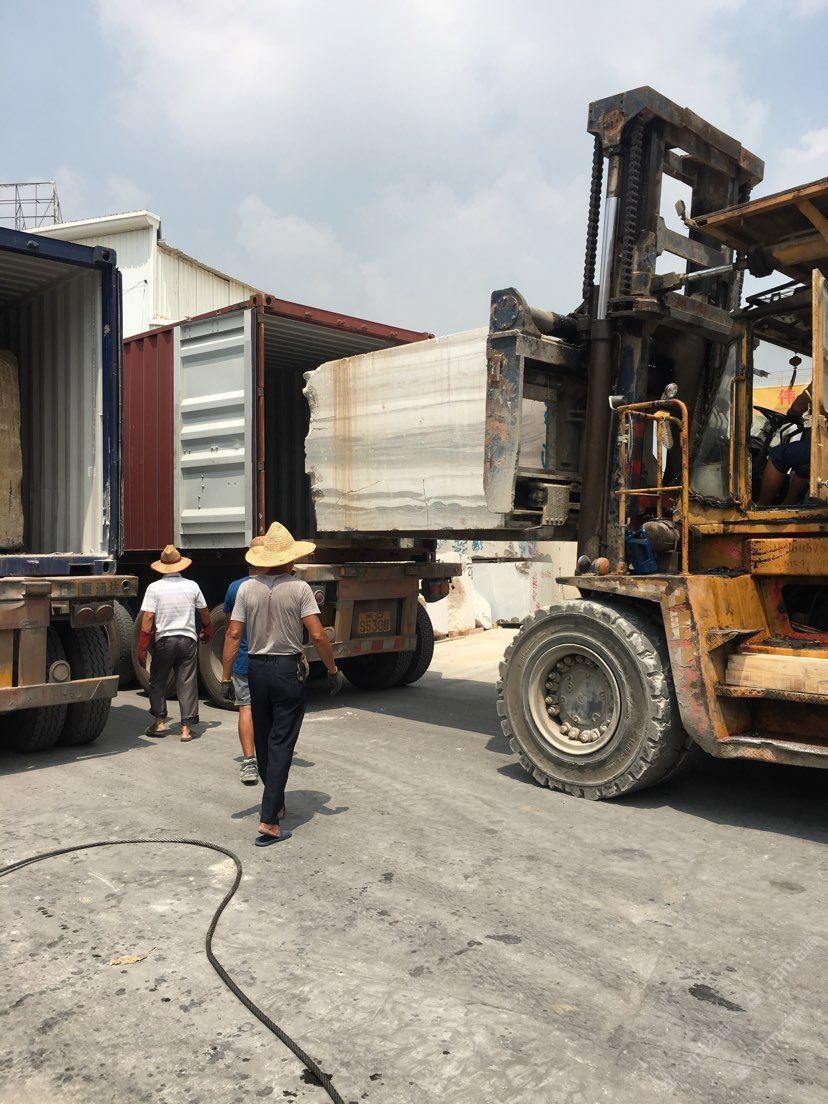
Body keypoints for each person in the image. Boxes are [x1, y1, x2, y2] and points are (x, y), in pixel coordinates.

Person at [220, 522, 344, 845]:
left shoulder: (246, 590)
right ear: (290, 559)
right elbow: (317, 634)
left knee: (264, 740)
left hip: (256, 670)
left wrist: (225, 676)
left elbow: (233, 634)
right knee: (282, 743)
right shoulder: (300, 589)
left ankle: (275, 803)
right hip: (288, 670)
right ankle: (269, 821)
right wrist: (332, 669)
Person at [137, 545, 212, 742]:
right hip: (188, 641)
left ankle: (160, 723)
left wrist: (142, 646)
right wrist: (208, 630)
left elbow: (148, 618)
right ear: (180, 565)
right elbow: (204, 612)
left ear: (162, 566)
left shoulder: (154, 588)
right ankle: (186, 730)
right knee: (187, 683)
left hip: (165, 642)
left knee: (158, 681)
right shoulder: (192, 586)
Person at [223, 536, 266, 786]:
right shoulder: (282, 585)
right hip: (273, 661)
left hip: (243, 661)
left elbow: (231, 631)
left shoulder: (235, 588)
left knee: (246, 708)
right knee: (271, 710)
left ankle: (249, 761)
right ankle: (270, 756)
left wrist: (225, 675)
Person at [757, 384, 812, 506]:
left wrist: (791, 414)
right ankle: (788, 505)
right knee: (805, 465)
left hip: (823, 448)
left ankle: (761, 506)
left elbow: (796, 408)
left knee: (778, 455)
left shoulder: (822, 379)